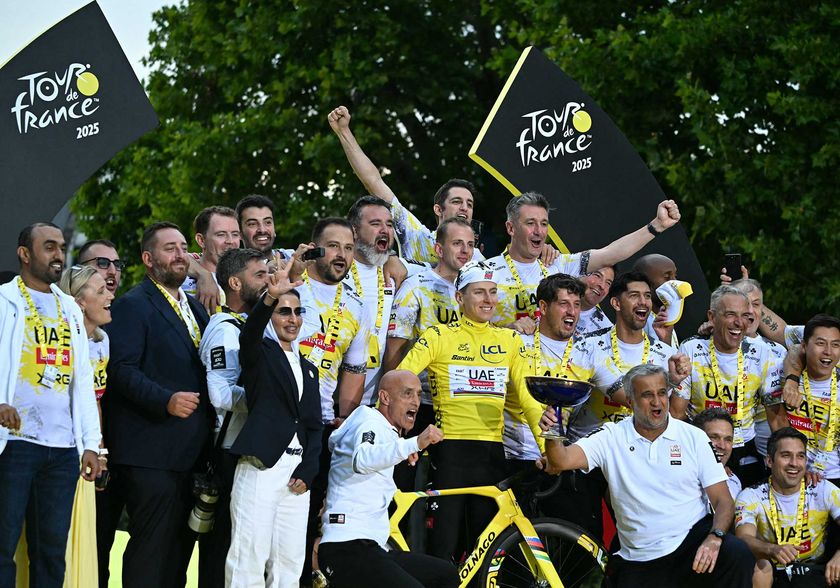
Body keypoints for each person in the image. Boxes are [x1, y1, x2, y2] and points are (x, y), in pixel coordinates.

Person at [542, 363, 753, 588]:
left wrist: (715, 537)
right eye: (647, 395)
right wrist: (552, 430)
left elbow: (723, 501)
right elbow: (560, 460)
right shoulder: (610, 436)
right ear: (630, 401)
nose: (657, 402)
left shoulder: (694, 437)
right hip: (638, 558)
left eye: (662, 393)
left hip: (692, 545)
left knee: (736, 554)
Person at [397, 260, 547, 563]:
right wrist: (397, 438)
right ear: (459, 298)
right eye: (479, 292)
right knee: (443, 547)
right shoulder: (438, 336)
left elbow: (531, 400)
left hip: (491, 454)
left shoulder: (509, 340)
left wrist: (547, 447)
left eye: (493, 292)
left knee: (486, 551)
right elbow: (400, 382)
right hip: (449, 452)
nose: (488, 300)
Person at [104, 221, 211, 588]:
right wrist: (164, 400)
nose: (180, 254)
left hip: (189, 453)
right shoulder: (133, 305)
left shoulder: (197, 310)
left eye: (183, 247)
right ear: (148, 259)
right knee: (151, 551)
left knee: (178, 553)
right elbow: (120, 369)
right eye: (170, 248)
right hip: (148, 451)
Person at [0, 223, 101, 587]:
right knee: (3, 546)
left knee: (51, 551)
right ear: (25, 254)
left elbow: (83, 381)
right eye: (48, 247)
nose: (58, 254)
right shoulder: (3, 300)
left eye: (61, 247)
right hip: (13, 444)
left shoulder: (71, 310)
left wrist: (90, 443)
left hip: (62, 449)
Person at [225, 259, 322, 587]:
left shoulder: (310, 368)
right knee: (248, 557)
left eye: (297, 312)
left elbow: (314, 426)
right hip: (262, 466)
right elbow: (249, 335)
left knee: (290, 563)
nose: (292, 319)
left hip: (296, 479)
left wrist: (308, 472)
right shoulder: (260, 353)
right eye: (284, 311)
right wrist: (270, 297)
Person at [318, 370, 457, 588]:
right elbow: (362, 459)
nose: (416, 402)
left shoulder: (386, 431)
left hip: (371, 548)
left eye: (419, 395)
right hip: (347, 548)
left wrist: (400, 448)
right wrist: (414, 443)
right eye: (407, 394)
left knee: (445, 575)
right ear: (384, 398)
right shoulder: (370, 421)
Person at [487, 192, 682, 335]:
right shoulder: (485, 271)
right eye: (530, 223)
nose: (539, 231)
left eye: (544, 223)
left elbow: (611, 253)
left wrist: (657, 225)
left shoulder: (559, 264)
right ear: (511, 228)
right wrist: (507, 329)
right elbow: (465, 326)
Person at [293, 218, 369, 581]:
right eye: (334, 246)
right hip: (282, 421)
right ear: (313, 247)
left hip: (321, 426)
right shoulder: (291, 291)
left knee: (312, 519)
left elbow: (354, 370)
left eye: (350, 248)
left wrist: (344, 419)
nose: (343, 255)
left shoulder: (356, 305)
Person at [196, 247, 270, 587]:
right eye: (260, 275)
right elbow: (221, 395)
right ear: (235, 283)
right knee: (223, 548)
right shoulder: (225, 329)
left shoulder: (252, 323)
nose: (268, 280)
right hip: (227, 451)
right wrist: (268, 402)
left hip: (246, 447)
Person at [327, 105, 483, 264]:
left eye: (469, 204)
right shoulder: (416, 237)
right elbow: (373, 181)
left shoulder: (479, 260)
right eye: (456, 201)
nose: (464, 207)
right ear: (438, 209)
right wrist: (344, 131)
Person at [671, 285, 786, 487]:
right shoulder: (691, 349)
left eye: (745, 316)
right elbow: (677, 414)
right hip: (701, 444)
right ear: (712, 317)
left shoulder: (763, 353)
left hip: (745, 446)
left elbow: (776, 418)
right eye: (730, 314)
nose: (739, 322)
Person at [55, 264, 114, 587]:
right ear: (78, 301)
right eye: (101, 290)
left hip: (88, 452)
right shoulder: (62, 340)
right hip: (63, 450)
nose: (110, 296)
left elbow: (96, 401)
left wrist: (99, 448)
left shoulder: (102, 341)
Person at [569, 271, 681, 442]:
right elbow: (565, 404)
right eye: (634, 296)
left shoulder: (666, 354)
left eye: (647, 296)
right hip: (588, 448)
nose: (643, 302)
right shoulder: (588, 347)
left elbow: (672, 415)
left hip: (640, 449)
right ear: (616, 303)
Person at [735, 427, 840, 587]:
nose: (794, 463)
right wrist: (772, 549)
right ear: (769, 461)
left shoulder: (823, 489)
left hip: (817, 570)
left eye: (800, 456)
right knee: (759, 566)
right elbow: (743, 538)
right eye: (786, 456)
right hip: (774, 571)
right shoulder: (751, 495)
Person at [343, 196, 402, 411]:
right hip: (333, 398)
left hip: (377, 403)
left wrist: (394, 257)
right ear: (354, 230)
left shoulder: (401, 272)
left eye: (389, 224)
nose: (385, 230)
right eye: (375, 224)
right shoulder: (335, 270)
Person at [779, 314, 840, 487]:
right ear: (804, 346)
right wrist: (798, 469)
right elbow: (777, 423)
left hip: (835, 476)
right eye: (821, 343)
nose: (828, 351)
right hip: (792, 474)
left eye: (835, 345)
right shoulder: (782, 378)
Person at [182, 205, 242, 304]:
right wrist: (204, 275)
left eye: (235, 234)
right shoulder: (180, 280)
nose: (230, 241)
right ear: (201, 240)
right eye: (221, 234)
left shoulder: (249, 274)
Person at [694, 407, 743, 500]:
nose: (722, 446)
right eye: (714, 437)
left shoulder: (733, 483)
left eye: (728, 439)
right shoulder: (678, 481)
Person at [633, 253, 679, 344]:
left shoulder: (664, 317)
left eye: (675, 276)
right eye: (667, 277)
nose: (675, 282)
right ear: (644, 282)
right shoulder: (638, 321)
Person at [234, 194, 294, 262]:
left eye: (268, 222)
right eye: (252, 224)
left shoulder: (292, 258)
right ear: (240, 233)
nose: (262, 230)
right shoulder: (232, 270)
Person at [575, 265, 615, 336]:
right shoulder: (553, 296)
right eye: (597, 275)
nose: (602, 286)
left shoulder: (606, 331)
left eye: (608, 283)